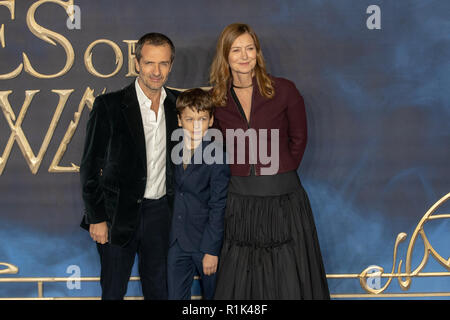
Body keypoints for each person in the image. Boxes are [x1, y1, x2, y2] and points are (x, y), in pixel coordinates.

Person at [209, 23, 330, 299]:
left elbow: (299, 138)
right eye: (236, 50)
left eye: (250, 48)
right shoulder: (216, 99)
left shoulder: (284, 90)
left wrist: (279, 171)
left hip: (284, 198)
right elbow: (214, 150)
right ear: (225, 56)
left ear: (258, 53)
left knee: (288, 275)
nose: (244, 56)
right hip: (239, 200)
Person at [79, 32, 180, 300]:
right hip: (115, 217)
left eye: (163, 64)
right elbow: (89, 167)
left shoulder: (179, 105)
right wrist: (97, 217)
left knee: (159, 291)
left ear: (170, 65)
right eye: (149, 63)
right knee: (113, 291)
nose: (156, 72)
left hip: (161, 215)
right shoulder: (109, 106)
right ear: (137, 63)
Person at [167, 88, 230, 300]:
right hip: (176, 241)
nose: (195, 125)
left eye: (202, 119)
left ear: (211, 121)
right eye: (189, 119)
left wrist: (212, 251)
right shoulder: (171, 152)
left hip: (204, 243)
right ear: (179, 121)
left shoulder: (217, 156)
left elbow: (218, 205)